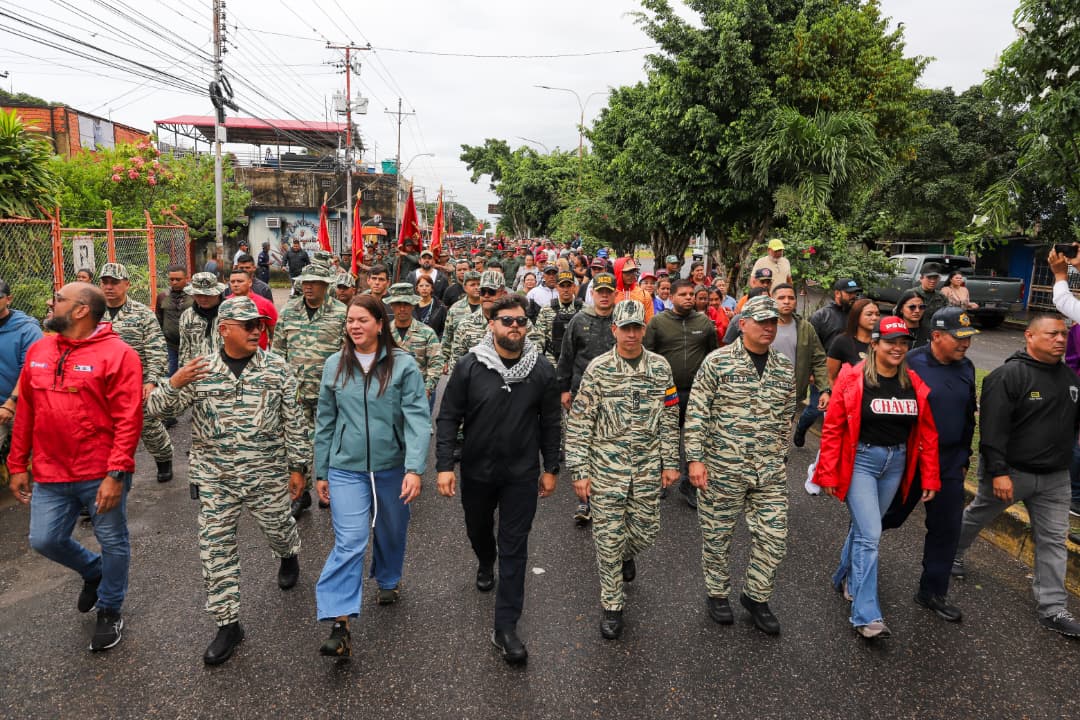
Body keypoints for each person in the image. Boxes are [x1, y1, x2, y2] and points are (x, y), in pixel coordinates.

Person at [145, 297, 306, 665]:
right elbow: (153, 411)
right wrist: (172, 383)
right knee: (215, 551)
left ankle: (287, 554)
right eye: (247, 325)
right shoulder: (198, 370)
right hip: (216, 479)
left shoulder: (276, 369)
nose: (256, 331)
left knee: (280, 529)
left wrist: (298, 467)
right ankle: (227, 623)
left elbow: (294, 422)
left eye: (259, 325)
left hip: (265, 475)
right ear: (224, 329)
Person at [8, 282, 142, 652]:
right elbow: (27, 412)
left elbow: (128, 419)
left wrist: (116, 474)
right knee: (44, 539)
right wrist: (17, 463)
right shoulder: (39, 349)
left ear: (81, 309)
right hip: (50, 470)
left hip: (99, 471)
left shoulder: (119, 355)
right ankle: (93, 570)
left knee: (113, 540)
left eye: (59, 299)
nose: (52, 304)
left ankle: (110, 608)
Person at [435, 294, 561, 665]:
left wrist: (551, 468)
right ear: (491, 324)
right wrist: (445, 465)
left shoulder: (541, 369)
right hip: (477, 471)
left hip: (521, 475)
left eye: (521, 321)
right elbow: (448, 418)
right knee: (478, 530)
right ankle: (484, 559)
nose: (515, 328)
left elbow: (552, 423)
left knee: (515, 547)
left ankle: (505, 627)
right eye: (507, 321)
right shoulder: (470, 366)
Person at [314, 295, 430, 658]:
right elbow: (325, 421)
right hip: (346, 468)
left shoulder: (403, 366)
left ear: (381, 323)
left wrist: (414, 468)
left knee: (391, 529)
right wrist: (320, 470)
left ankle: (389, 578)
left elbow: (417, 419)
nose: (355, 326)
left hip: (392, 466)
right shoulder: (334, 364)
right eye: (350, 320)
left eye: (362, 319)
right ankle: (339, 621)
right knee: (350, 540)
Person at [951, 313, 1080, 638]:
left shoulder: (1069, 378)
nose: (1060, 340)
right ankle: (950, 554)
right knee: (978, 515)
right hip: (1010, 473)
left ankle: (1053, 608)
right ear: (1030, 336)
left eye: (1063, 334)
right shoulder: (1008, 376)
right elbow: (992, 430)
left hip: (1055, 478)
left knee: (1052, 540)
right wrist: (998, 473)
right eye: (1052, 334)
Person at [813, 316, 940, 639]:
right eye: (890, 342)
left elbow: (926, 432)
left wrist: (930, 476)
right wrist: (826, 472)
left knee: (864, 528)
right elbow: (833, 429)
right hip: (861, 462)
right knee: (871, 534)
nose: (898, 348)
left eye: (903, 343)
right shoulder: (852, 379)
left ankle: (845, 575)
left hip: (895, 463)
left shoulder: (912, 381)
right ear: (874, 344)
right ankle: (866, 615)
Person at [566, 301, 681, 639]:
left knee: (647, 530)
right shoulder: (599, 369)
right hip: (606, 469)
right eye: (625, 328)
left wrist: (670, 462)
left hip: (646, 468)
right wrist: (579, 471)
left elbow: (671, 418)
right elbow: (580, 423)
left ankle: (626, 554)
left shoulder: (660, 368)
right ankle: (612, 605)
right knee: (607, 538)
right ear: (614, 329)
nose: (631, 334)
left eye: (637, 327)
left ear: (644, 330)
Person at [682, 296, 794, 635]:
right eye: (762, 322)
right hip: (722, 468)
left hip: (768, 471)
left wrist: (779, 451)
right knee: (718, 537)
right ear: (742, 324)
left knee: (775, 537)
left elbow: (787, 414)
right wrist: (695, 459)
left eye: (773, 322)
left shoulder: (783, 366)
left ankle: (756, 596)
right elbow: (697, 412)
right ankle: (717, 593)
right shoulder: (718, 362)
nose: (769, 328)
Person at [881, 307, 978, 623]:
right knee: (887, 518)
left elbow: (967, 418)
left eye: (968, 338)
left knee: (946, 529)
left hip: (949, 463)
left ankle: (932, 591)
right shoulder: (910, 364)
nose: (965, 344)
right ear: (936, 336)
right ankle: (852, 566)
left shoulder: (966, 368)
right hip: (910, 460)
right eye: (958, 338)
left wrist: (964, 458)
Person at [272, 262, 347, 516]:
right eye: (305, 281)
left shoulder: (341, 313)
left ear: (327, 285)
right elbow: (278, 349)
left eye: (314, 282)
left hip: (331, 391)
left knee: (334, 441)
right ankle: (300, 493)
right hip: (297, 392)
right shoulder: (290, 311)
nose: (308, 286)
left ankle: (331, 489)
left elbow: (349, 353)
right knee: (297, 443)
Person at [644, 279, 719, 509]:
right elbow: (647, 355)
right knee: (664, 436)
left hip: (697, 393)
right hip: (666, 392)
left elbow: (712, 356)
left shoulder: (704, 322)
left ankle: (689, 483)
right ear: (672, 297)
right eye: (683, 294)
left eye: (691, 294)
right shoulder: (658, 322)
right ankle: (661, 479)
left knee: (696, 438)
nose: (688, 298)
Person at [98, 263, 174, 483]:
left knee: (149, 427)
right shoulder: (92, 312)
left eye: (114, 282)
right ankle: (103, 477)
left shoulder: (141, 314)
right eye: (105, 282)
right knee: (103, 433)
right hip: (102, 386)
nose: (109, 287)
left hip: (137, 384)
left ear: (126, 284)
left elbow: (156, 349)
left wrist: (152, 381)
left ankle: (164, 460)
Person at [557, 273, 617, 524]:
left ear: (615, 294)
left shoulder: (623, 320)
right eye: (599, 291)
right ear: (592, 294)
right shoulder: (579, 319)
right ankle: (586, 502)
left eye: (608, 291)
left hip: (615, 394)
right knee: (583, 447)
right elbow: (566, 356)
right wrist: (563, 389)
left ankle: (612, 497)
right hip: (582, 393)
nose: (604, 296)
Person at [771, 282, 830, 425]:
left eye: (791, 298)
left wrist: (824, 389)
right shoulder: (762, 325)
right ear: (772, 300)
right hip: (763, 394)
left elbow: (819, 359)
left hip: (790, 394)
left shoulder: (805, 328)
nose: (786, 301)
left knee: (783, 436)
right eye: (781, 298)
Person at [0, 279, 43, 470]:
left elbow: (30, 369)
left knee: (44, 456)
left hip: (23, 402)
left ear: (9, 299)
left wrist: (11, 403)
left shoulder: (27, 329)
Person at [386, 283, 444, 415]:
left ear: (413, 305)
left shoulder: (427, 333)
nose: (402, 308)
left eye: (406, 304)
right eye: (398, 304)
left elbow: (436, 362)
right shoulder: (384, 333)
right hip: (389, 394)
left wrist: (428, 389)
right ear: (391, 305)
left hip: (419, 392)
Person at [529, 270, 582, 366]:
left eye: (568, 286)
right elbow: (538, 337)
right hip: (552, 361)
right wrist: (539, 362)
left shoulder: (584, 309)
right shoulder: (546, 310)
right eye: (562, 286)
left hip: (578, 362)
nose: (565, 290)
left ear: (574, 287)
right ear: (557, 287)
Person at [179, 273, 228, 366]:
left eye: (208, 295)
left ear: (218, 293)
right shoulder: (187, 316)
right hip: (198, 373)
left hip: (226, 373)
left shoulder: (231, 313)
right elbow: (184, 349)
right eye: (198, 295)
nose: (203, 299)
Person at [155, 264, 191, 377]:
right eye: (171, 279)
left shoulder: (195, 296)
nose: (174, 282)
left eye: (178, 279)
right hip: (169, 345)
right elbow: (159, 319)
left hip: (191, 345)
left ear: (186, 278)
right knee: (169, 376)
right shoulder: (162, 296)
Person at [442, 270, 483, 371]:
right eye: (472, 284)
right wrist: (444, 360)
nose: (477, 287)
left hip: (482, 361)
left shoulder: (489, 307)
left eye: (479, 284)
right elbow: (448, 335)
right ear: (465, 287)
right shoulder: (455, 309)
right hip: (459, 361)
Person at [227, 267, 277, 348]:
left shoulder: (265, 304)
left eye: (240, 281)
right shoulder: (224, 304)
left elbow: (275, 332)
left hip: (258, 354)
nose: (235, 284)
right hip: (232, 353)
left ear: (250, 282)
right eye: (232, 282)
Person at [911, 264, 947, 347]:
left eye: (935, 278)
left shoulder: (941, 297)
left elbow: (947, 316)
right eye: (929, 278)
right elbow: (897, 314)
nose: (932, 281)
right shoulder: (912, 294)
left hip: (934, 338)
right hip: (914, 338)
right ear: (921, 278)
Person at [613, 257, 654, 323]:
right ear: (618, 272)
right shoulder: (611, 294)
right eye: (627, 272)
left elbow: (649, 322)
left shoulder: (644, 294)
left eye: (633, 271)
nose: (631, 275)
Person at [414, 275, 447, 339]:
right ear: (417, 288)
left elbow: (444, 330)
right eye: (421, 286)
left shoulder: (440, 307)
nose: (424, 288)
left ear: (432, 288)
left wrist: (436, 342)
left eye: (427, 285)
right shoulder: (411, 306)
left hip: (434, 342)